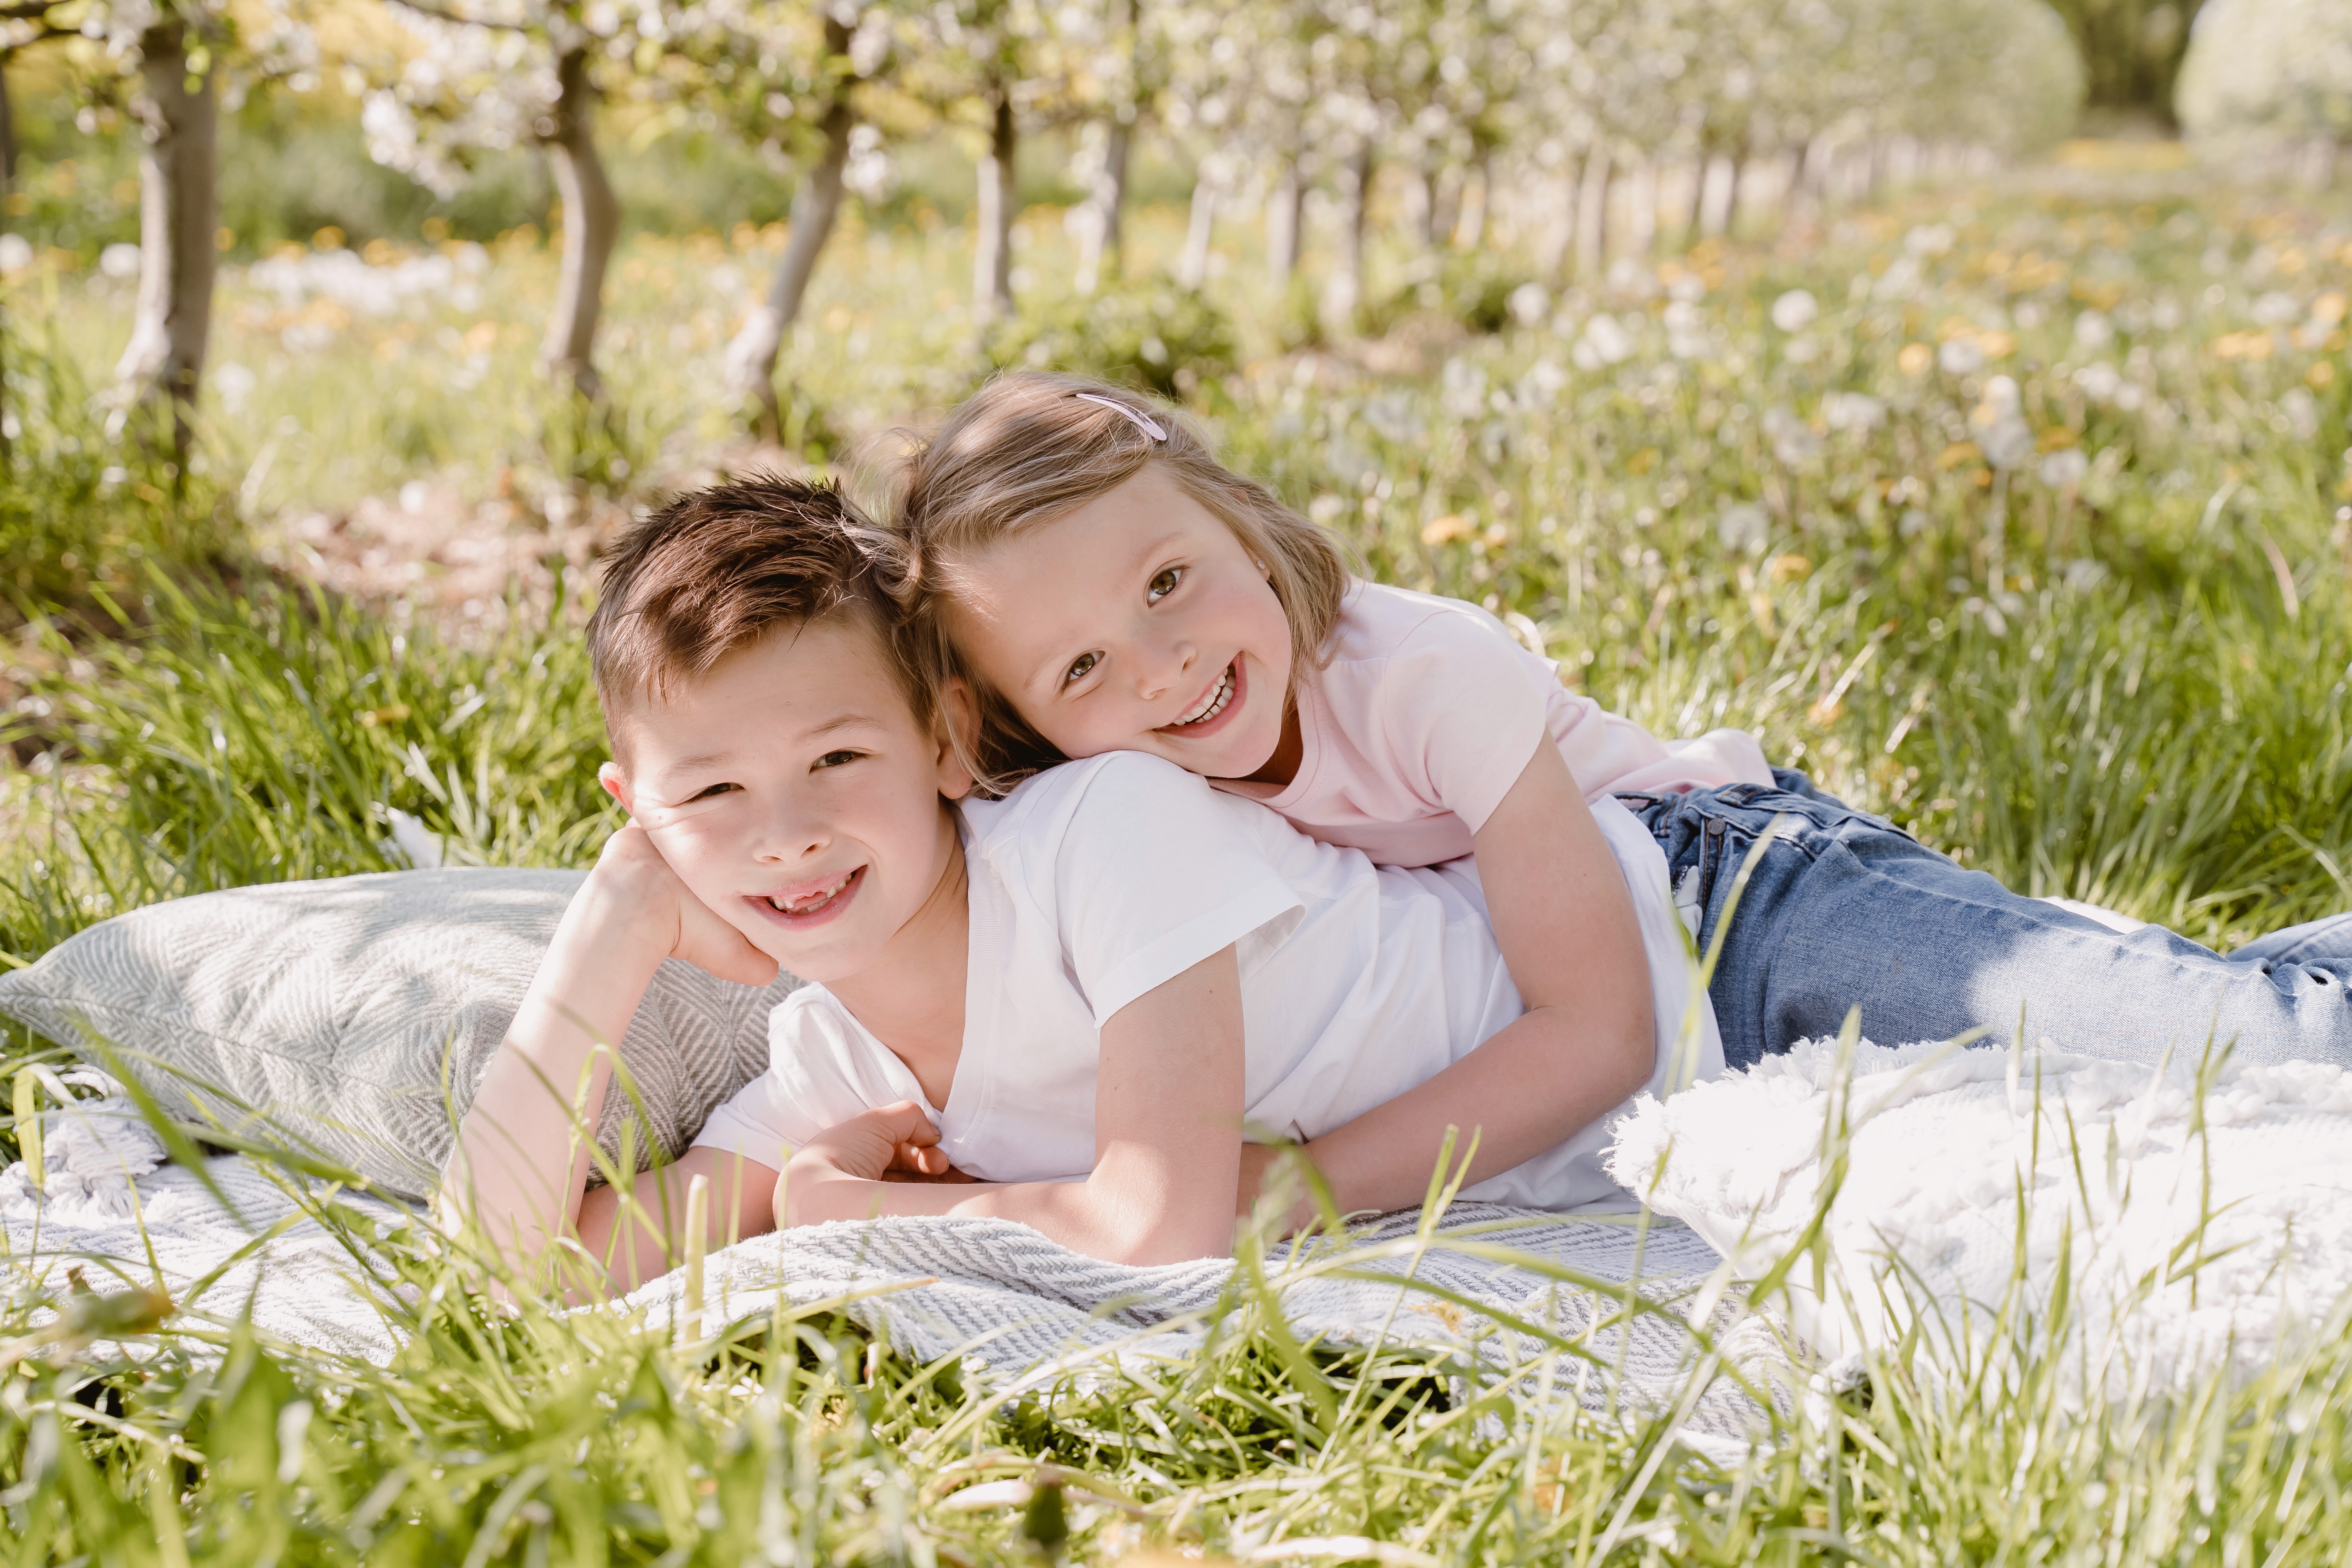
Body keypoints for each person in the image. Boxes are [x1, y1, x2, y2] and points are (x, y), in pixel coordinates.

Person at [887, 371, 2352, 1082]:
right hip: (1671, 978)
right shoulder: (1110, 801)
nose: (1163, 668)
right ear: (1014, 727)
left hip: (1741, 900)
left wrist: (1316, 1190)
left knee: (2240, 1049)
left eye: (1169, 580)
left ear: (1242, 524)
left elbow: (1596, 1029)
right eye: (1080, 668)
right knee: (2157, 1005)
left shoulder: (1416, 672)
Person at [445, 476, 1709, 1293]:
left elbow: (1160, 1229)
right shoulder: (837, 1068)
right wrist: (605, 937)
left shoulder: (1106, 832)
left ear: (945, 739)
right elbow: (504, 1272)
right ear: (642, 820)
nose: (786, 836)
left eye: (838, 756)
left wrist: (840, 1209)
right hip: (1663, 1146)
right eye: (711, 795)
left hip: (1712, 962)